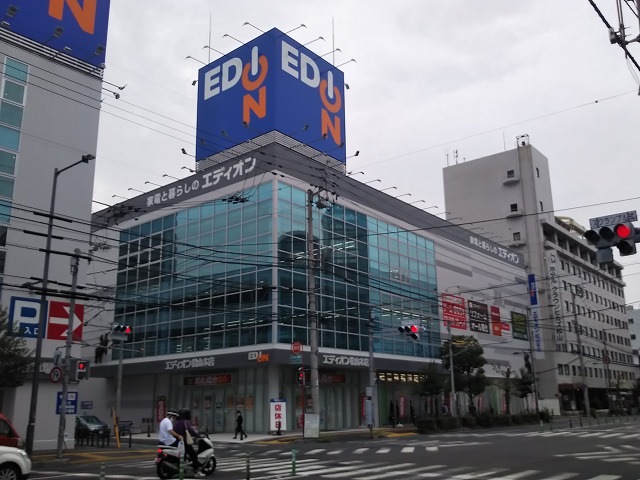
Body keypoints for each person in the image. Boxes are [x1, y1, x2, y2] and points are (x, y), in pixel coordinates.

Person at [173, 408, 204, 478]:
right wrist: (198, 436)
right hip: (184, 442)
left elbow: (174, 430)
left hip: (178, 441)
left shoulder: (177, 422)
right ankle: (196, 471)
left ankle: (183, 469)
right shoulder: (186, 422)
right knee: (193, 455)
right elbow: (190, 430)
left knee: (183, 456)